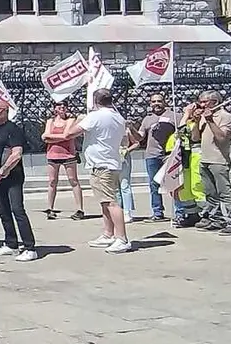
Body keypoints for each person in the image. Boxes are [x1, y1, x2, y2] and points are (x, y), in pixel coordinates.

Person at [66, 88, 131, 254]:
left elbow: (69, 133)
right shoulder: (118, 116)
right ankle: (108, 234)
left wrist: (79, 119)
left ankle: (122, 238)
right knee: (105, 201)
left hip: (102, 164)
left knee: (110, 202)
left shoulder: (95, 116)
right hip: (109, 162)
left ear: (95, 101)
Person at [0, 102, 37, 261]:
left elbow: (16, 154)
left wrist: (2, 171)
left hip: (13, 177)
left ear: (5, 112)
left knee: (17, 209)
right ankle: (11, 243)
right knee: (3, 210)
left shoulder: (13, 129)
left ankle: (29, 247)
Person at [192, 91, 231, 235]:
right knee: (210, 193)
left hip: (219, 161)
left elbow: (222, 139)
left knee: (224, 193)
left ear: (215, 102)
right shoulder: (203, 117)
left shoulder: (226, 117)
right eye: (200, 102)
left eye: (205, 102)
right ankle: (216, 218)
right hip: (204, 159)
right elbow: (195, 138)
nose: (201, 105)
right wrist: (196, 121)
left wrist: (211, 121)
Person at [135, 94, 181, 223]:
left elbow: (183, 131)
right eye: (153, 101)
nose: (156, 104)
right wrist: (130, 128)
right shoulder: (147, 119)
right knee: (154, 184)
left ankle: (180, 212)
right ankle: (157, 212)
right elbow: (140, 137)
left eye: (159, 101)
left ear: (165, 102)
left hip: (170, 155)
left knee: (174, 183)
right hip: (152, 155)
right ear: (150, 104)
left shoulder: (175, 116)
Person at [41, 102, 85, 220]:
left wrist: (51, 138)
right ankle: (50, 208)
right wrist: (57, 137)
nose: (62, 108)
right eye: (59, 106)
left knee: (73, 180)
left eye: (64, 105)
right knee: (52, 181)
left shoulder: (70, 120)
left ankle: (80, 209)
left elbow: (67, 135)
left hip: (68, 154)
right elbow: (44, 136)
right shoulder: (50, 121)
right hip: (53, 154)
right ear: (54, 108)